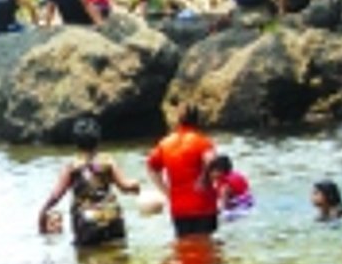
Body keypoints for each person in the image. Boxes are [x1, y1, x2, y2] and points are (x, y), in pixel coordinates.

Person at [37, 116, 142, 247]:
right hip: (112, 218)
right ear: (98, 141)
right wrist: (136, 185)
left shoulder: (72, 167)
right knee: (117, 259)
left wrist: (43, 210)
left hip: (87, 223)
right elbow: (125, 186)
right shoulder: (108, 162)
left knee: (87, 261)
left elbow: (56, 195)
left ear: (75, 143)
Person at [147, 104, 219, 237]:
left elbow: (151, 167)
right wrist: (203, 179)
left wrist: (166, 191)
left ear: (178, 120)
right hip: (204, 205)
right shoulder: (203, 142)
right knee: (207, 246)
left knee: (184, 245)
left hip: (179, 207)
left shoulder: (165, 143)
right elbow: (213, 164)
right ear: (198, 120)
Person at [206, 154, 254, 218]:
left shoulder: (225, 186)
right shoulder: (235, 174)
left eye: (211, 171)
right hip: (248, 203)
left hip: (238, 210)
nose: (209, 173)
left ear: (220, 171)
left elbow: (221, 206)